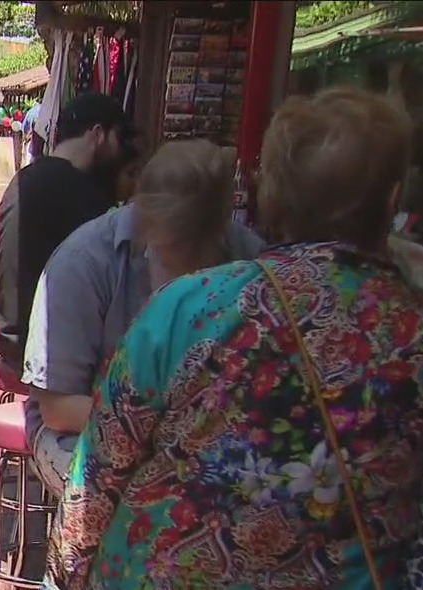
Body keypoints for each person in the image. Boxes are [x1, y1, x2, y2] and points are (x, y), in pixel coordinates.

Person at [47, 87, 423, 590]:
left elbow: (94, 484)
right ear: (392, 199)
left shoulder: (191, 308)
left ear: (274, 195)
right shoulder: (408, 328)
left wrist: (68, 576)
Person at [22, 139, 265, 497]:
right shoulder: (82, 262)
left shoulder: (248, 255)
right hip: (81, 425)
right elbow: (58, 407)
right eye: (170, 255)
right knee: (122, 496)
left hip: (201, 430)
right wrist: (162, 429)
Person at [0, 93, 133, 372]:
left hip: (11, 338)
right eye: (119, 140)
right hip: (42, 350)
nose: (120, 152)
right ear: (98, 135)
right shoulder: (80, 192)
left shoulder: (27, 178)